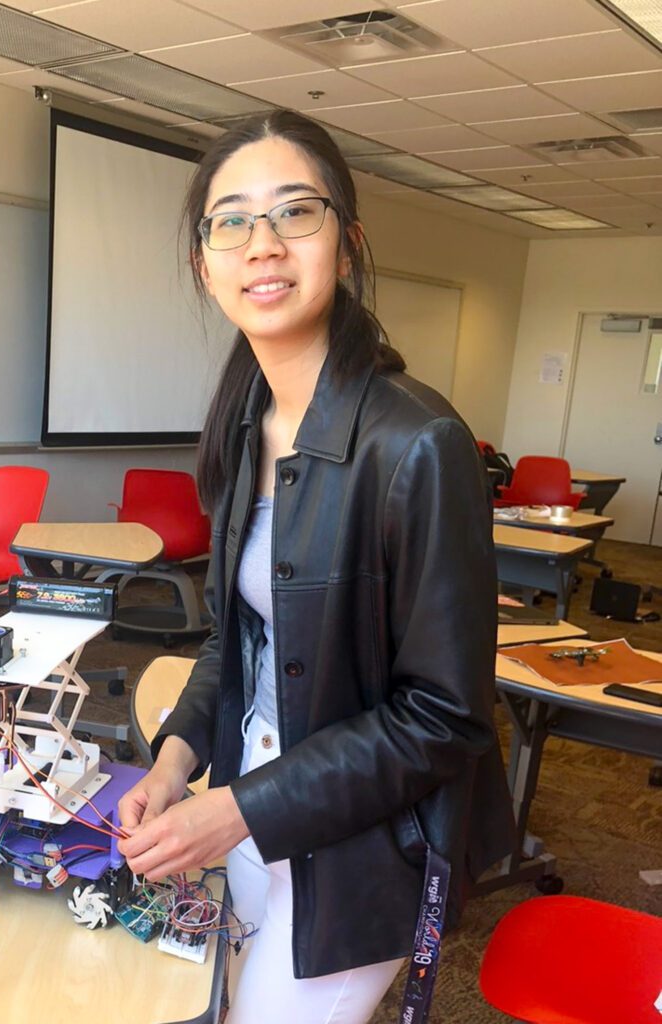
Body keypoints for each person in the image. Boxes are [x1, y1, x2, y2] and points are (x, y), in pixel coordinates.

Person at [116, 110, 516, 1024]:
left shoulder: (420, 443)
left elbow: (446, 718)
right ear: (203, 262)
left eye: (296, 212)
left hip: (367, 848)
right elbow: (241, 634)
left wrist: (235, 813)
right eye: (232, 221)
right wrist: (177, 763)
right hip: (256, 805)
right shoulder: (244, 423)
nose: (263, 244)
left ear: (347, 242)